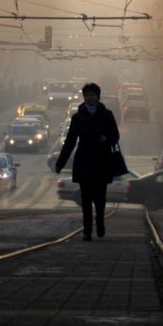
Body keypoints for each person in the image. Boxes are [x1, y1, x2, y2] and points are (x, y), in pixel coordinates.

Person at [55, 82, 120, 241]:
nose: (90, 98)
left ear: (98, 97)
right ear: (84, 97)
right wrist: (60, 163)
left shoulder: (107, 115)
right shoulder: (77, 117)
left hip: (102, 161)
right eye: (87, 95)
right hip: (84, 161)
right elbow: (70, 142)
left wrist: (106, 138)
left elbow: (115, 136)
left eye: (93, 95)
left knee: (100, 198)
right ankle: (87, 230)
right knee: (85, 199)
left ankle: (100, 222)